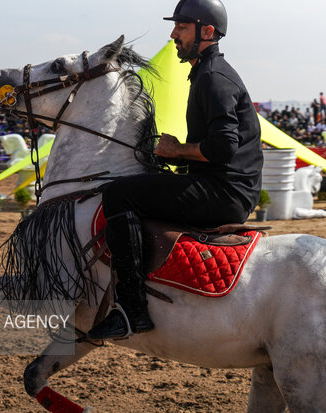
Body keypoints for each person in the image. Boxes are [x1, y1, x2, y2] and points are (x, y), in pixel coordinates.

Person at [87, 0, 263, 340]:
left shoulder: (213, 79)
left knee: (119, 194)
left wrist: (177, 150)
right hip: (220, 184)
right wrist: (172, 156)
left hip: (225, 194)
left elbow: (223, 148)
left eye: (181, 28)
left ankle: (131, 309)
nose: (173, 35)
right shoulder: (206, 73)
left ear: (207, 32)